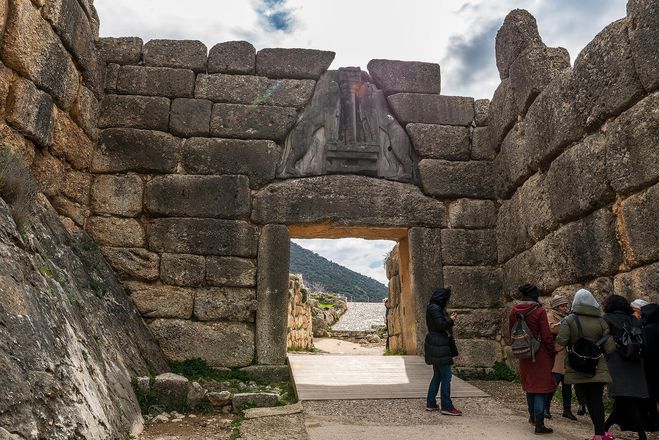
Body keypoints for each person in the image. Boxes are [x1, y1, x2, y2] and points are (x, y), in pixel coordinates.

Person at [557, 289, 616, 440]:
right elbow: (610, 347)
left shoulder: (570, 320)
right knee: (596, 399)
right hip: (597, 365)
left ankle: (597, 434)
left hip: (577, 365)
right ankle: (599, 434)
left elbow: (561, 342)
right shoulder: (601, 321)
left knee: (586, 398)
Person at [508, 283, 556, 435]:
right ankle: (539, 424)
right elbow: (546, 335)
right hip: (539, 353)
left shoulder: (514, 310)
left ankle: (532, 416)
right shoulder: (539, 310)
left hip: (524, 353)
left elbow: (511, 331)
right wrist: (551, 351)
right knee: (540, 388)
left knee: (529, 385)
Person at [602, 295, 650, 440]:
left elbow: (605, 340)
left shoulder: (607, 318)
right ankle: (607, 426)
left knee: (623, 398)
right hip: (634, 363)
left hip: (617, 362)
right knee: (627, 398)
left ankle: (640, 433)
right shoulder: (633, 319)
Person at [424, 287, 462, 416]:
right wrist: (451, 320)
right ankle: (446, 406)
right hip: (439, 343)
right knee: (446, 376)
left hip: (436, 343)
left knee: (438, 375)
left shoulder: (433, 307)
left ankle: (431, 403)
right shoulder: (435, 308)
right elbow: (441, 325)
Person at [545, 294, 578, 421]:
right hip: (558, 353)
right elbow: (552, 329)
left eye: (566, 306)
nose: (565, 308)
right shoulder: (550, 316)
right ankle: (546, 408)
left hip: (568, 354)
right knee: (554, 383)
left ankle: (567, 410)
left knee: (567, 385)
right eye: (562, 306)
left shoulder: (567, 317)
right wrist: (565, 322)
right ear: (557, 307)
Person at [641, 303, 659, 432]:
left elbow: (648, 350)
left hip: (651, 367)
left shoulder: (649, 329)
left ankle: (651, 421)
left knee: (650, 395)